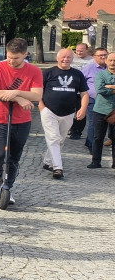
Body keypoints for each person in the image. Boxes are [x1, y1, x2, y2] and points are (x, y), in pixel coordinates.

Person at [0, 38, 44, 201]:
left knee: (14, 157)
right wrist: (19, 98)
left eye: (15, 58)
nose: (11, 60)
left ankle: (7, 186)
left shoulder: (34, 71)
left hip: (21, 121)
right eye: (9, 56)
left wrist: (15, 93)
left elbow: (37, 95)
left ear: (25, 54)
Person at [37, 49, 88, 180]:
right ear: (57, 58)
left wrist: (83, 108)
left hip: (69, 112)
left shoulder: (77, 74)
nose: (66, 59)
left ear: (73, 59)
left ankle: (48, 162)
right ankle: (58, 167)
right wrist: (41, 106)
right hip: (49, 110)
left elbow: (84, 93)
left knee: (60, 139)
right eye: (63, 57)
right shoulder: (48, 72)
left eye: (69, 57)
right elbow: (37, 91)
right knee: (53, 138)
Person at [87, 50, 115, 169]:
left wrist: (110, 86)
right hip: (101, 109)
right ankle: (96, 161)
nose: (113, 63)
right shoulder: (101, 75)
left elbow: (105, 89)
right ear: (106, 61)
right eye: (111, 60)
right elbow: (100, 90)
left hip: (114, 111)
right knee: (98, 137)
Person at [81, 47, 108, 152]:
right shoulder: (88, 68)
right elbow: (80, 82)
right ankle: (93, 147)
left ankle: (89, 140)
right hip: (93, 100)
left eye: (105, 55)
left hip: (109, 101)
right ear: (94, 57)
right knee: (94, 123)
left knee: (107, 123)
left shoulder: (110, 67)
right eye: (100, 55)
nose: (103, 57)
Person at [68, 43, 94, 138]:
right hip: (70, 89)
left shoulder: (92, 61)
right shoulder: (72, 58)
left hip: (83, 91)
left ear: (87, 50)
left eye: (81, 51)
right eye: (77, 50)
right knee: (69, 111)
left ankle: (77, 131)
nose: (79, 52)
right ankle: (70, 127)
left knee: (81, 111)